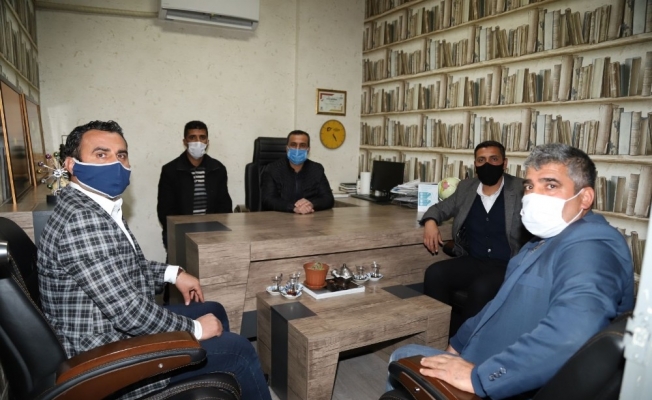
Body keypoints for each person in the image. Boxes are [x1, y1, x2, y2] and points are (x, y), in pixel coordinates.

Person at [37, 121, 271, 400]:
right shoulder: (83, 220)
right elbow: (129, 314)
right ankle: (233, 370)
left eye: (121, 155)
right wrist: (195, 330)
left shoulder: (94, 205)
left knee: (215, 310)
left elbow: (122, 268)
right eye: (101, 154)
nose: (115, 164)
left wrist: (174, 273)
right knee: (240, 350)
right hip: (106, 353)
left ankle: (226, 384)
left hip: (113, 330)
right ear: (71, 164)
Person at [388, 143, 634, 399]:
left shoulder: (591, 246)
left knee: (402, 355)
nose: (534, 196)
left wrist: (481, 377)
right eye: (530, 186)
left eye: (550, 186)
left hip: (501, 377)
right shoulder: (543, 241)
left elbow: (573, 333)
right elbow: (500, 303)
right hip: (483, 355)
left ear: (585, 198)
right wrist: (458, 344)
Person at [420, 140, 530, 336]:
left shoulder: (521, 189)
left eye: (493, 159)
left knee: (481, 288)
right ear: (475, 164)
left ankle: (466, 343)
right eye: (481, 160)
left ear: (504, 163)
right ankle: (441, 334)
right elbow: (439, 208)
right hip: (474, 260)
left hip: (507, 264)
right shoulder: (466, 187)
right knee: (435, 273)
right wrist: (430, 222)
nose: (487, 164)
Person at [157, 120, 232, 250]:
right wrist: (186, 232)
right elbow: (165, 211)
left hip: (212, 230)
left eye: (202, 137)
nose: (198, 142)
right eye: (192, 137)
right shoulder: (170, 170)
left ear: (207, 142)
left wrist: (214, 231)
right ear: (185, 141)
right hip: (180, 232)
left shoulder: (217, 169)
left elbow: (224, 206)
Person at [260, 129, 334, 213]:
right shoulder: (272, 169)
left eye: (302, 145)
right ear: (287, 148)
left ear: (308, 150)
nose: (297, 149)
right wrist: (293, 208)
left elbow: (328, 199)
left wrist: (311, 204)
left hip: (310, 218)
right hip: (281, 218)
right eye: (293, 145)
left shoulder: (317, 169)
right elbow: (268, 200)